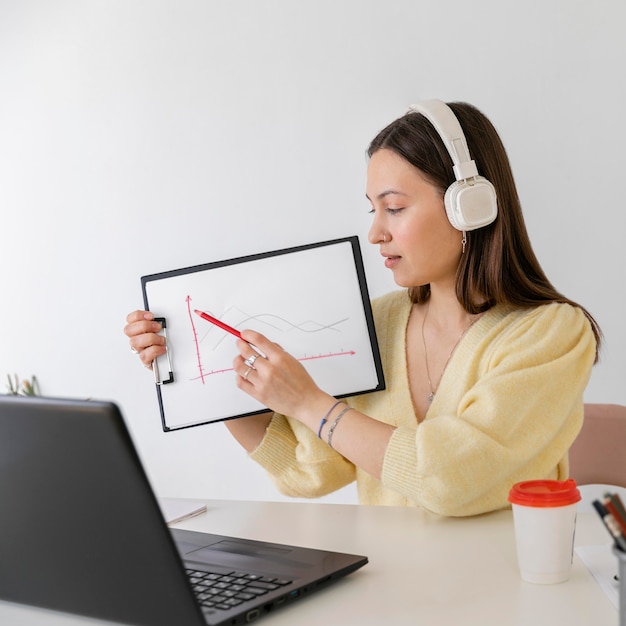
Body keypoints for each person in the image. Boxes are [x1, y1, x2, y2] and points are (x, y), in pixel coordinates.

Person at [124, 99, 601, 517]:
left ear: (468, 207)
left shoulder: (552, 333)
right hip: (392, 594)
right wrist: (197, 371)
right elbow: (308, 470)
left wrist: (310, 402)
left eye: (394, 208)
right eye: (372, 209)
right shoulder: (377, 322)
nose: (376, 233)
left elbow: (453, 479)